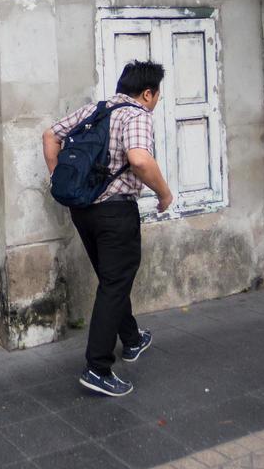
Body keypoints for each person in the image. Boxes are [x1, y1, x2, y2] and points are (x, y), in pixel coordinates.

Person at [42, 61, 173, 397]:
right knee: (115, 282)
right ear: (147, 93)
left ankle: (131, 339)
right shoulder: (137, 115)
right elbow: (140, 160)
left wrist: (57, 176)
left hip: (82, 209)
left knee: (112, 279)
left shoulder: (96, 109)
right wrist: (164, 193)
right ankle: (98, 368)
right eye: (156, 95)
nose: (156, 101)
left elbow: (50, 135)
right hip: (116, 212)